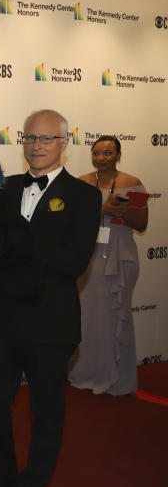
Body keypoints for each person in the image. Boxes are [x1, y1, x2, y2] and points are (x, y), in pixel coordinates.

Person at [0, 109, 100, 487]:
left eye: (45, 139)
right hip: (3, 318)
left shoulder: (83, 195)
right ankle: (4, 475)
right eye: (29, 138)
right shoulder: (3, 189)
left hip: (50, 324)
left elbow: (73, 261)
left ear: (64, 143)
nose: (36, 146)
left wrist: (20, 242)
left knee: (47, 411)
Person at [70, 136, 148, 395]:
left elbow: (142, 224)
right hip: (88, 256)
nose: (101, 157)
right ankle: (86, 372)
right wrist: (102, 210)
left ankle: (118, 379)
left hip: (121, 255)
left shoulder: (134, 183)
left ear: (118, 154)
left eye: (107, 153)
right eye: (96, 153)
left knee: (116, 315)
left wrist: (124, 214)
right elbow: (72, 221)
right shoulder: (80, 183)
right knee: (88, 317)